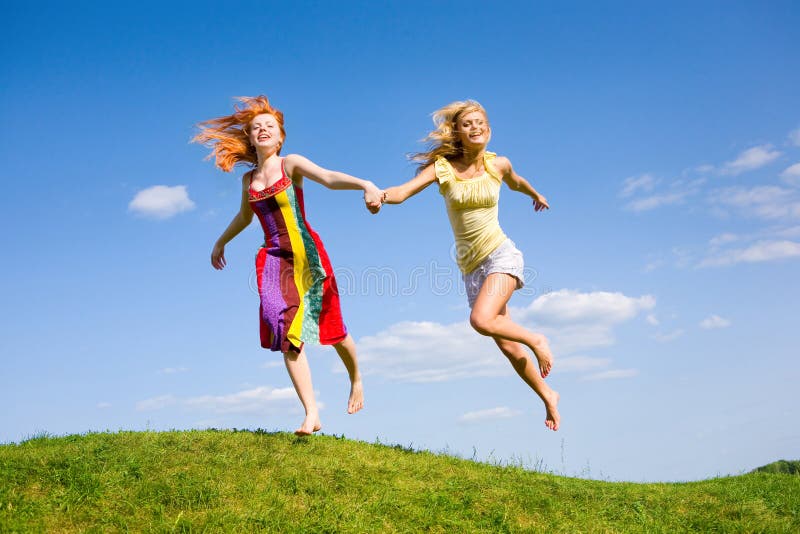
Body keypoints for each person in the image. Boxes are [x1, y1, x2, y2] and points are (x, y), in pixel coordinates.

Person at [193, 95, 383, 435]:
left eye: (269, 126)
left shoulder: (290, 164)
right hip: (272, 260)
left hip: (306, 255)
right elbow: (243, 216)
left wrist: (366, 184)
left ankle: (356, 377)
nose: (262, 130)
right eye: (256, 128)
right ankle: (312, 413)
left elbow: (327, 177)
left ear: (280, 137)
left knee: (332, 328)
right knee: (284, 329)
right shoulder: (247, 180)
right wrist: (221, 241)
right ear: (250, 139)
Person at [380, 100, 560, 431]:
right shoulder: (442, 168)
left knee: (481, 320)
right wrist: (379, 196)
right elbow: (402, 192)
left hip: (500, 253)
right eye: (467, 124)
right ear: (458, 133)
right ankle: (548, 394)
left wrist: (536, 194)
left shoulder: (499, 164)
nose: (474, 127)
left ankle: (537, 339)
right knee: (505, 342)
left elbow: (516, 182)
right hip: (471, 267)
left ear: (488, 130)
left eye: (479, 122)